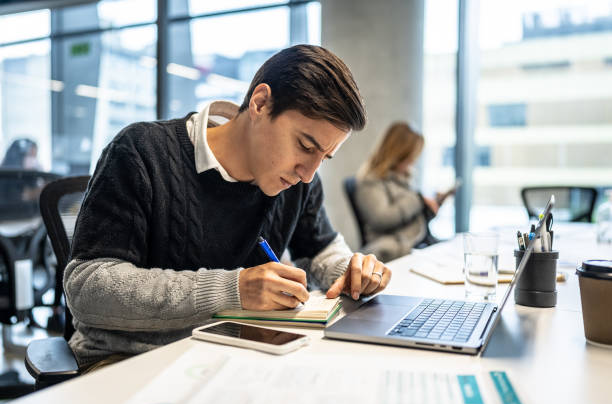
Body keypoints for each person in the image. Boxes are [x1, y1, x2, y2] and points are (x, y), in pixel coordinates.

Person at [65, 44, 393, 370]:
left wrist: (350, 271)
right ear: (261, 103)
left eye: (324, 157)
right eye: (305, 146)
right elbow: (87, 288)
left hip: (240, 356)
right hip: (129, 361)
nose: (308, 173)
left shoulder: (297, 182)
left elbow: (321, 249)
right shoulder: (141, 152)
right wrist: (234, 289)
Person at [355, 122, 454, 262]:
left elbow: (410, 219)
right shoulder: (371, 182)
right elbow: (382, 219)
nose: (413, 161)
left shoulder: (402, 178)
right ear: (399, 154)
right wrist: (418, 200)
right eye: (410, 156)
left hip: (416, 243)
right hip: (393, 250)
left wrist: (429, 209)